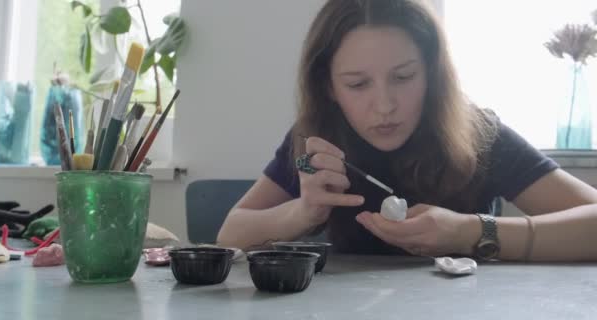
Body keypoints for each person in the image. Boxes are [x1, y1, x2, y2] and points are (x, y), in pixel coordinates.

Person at [217, 0, 597, 261]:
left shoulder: (477, 133)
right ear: (329, 87)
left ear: (432, 73)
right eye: (357, 84)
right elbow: (230, 235)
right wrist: (302, 213)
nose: (384, 105)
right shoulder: (317, 139)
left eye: (403, 77)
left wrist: (469, 232)